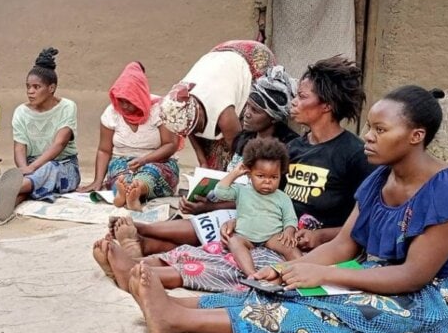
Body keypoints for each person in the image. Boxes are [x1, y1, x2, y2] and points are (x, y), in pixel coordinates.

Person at [122, 85, 448, 333]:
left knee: (332, 311)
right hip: (387, 276)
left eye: (380, 130)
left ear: (416, 136)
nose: (368, 137)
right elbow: (345, 243)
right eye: (370, 128)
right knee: (282, 286)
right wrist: (290, 270)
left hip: (438, 301)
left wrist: (322, 272)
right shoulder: (378, 180)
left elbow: (415, 275)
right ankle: (180, 304)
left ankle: (177, 319)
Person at [98, 55, 372, 293]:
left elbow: (362, 225)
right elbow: (267, 193)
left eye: (302, 97)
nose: (294, 104)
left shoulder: (353, 155)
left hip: (303, 245)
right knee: (216, 234)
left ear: (327, 105)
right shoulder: (296, 148)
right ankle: (138, 247)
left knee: (224, 261)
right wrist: (232, 212)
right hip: (267, 226)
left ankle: (138, 268)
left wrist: (319, 237)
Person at [119, 65, 299, 253]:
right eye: (248, 106)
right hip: (232, 204)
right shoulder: (246, 137)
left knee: (206, 225)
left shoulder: (287, 149)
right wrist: (205, 197)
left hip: (258, 216)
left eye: (256, 110)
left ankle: (143, 234)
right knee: (205, 228)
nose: (246, 113)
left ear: (273, 117)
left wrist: (208, 207)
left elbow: (264, 195)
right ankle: (141, 243)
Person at [0, 48, 79, 222]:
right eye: (28, 87)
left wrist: (31, 169)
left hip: (64, 166)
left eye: (36, 87)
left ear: (51, 88)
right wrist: (24, 169)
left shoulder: (67, 107)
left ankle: (2, 188)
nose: (30, 91)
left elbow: (59, 144)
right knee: (33, 180)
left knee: (48, 169)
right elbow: (19, 147)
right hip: (30, 168)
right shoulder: (21, 112)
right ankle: (7, 203)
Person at [158, 39, 276, 170]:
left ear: (200, 112)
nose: (195, 131)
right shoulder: (181, 108)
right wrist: (202, 162)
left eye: (196, 126)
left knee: (250, 131)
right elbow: (190, 130)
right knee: (212, 162)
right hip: (216, 62)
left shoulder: (224, 114)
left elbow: (238, 151)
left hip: (251, 56)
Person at [78, 61, 179, 210]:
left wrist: (144, 160)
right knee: (120, 176)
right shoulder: (111, 113)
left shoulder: (160, 109)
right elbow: (104, 150)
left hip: (158, 161)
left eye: (129, 101)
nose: (124, 106)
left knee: (151, 173)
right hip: (122, 161)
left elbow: (170, 144)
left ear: (139, 96)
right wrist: (97, 181)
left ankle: (136, 192)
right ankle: (124, 192)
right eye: (120, 101)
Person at [213, 137, 301, 276]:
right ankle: (252, 274)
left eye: (274, 177)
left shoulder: (282, 197)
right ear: (249, 174)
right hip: (245, 236)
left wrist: (289, 231)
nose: (267, 182)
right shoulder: (241, 190)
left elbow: (290, 218)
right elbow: (220, 192)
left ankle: (302, 269)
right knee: (234, 241)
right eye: (260, 176)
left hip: (272, 237)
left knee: (290, 247)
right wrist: (235, 173)